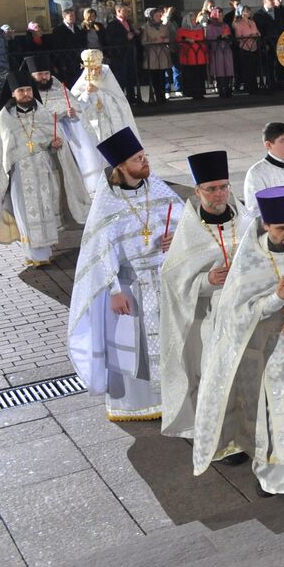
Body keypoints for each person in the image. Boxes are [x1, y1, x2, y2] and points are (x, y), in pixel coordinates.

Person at [191, 185, 284, 495]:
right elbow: (235, 315)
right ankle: (274, 477)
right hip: (267, 353)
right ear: (265, 225)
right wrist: (276, 299)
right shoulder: (251, 259)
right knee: (273, 414)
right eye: (281, 228)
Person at [67, 127, 180, 421]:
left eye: (144, 156)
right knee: (133, 349)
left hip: (162, 279)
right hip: (130, 285)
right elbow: (99, 251)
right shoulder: (106, 202)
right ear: (121, 166)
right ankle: (138, 405)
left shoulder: (156, 187)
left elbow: (183, 219)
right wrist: (114, 291)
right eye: (138, 158)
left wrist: (176, 238)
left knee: (169, 340)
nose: (145, 162)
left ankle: (173, 398)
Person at [158, 150, 245, 441]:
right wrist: (206, 281)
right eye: (211, 189)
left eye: (223, 187)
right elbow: (173, 279)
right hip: (208, 320)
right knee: (215, 377)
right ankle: (219, 439)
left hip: (245, 314)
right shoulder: (189, 229)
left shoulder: (244, 219)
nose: (219, 194)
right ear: (198, 191)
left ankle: (245, 432)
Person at [0, 67, 88, 265]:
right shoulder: (5, 118)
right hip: (19, 175)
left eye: (28, 90)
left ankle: (45, 251)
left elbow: (55, 139)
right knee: (26, 213)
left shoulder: (43, 113)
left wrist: (55, 145)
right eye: (21, 91)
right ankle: (33, 255)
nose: (26, 94)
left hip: (44, 172)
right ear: (13, 93)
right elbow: (1, 151)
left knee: (45, 210)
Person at [69, 48, 138, 145]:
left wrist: (100, 92)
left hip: (112, 125)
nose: (94, 72)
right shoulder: (81, 83)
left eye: (96, 68)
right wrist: (87, 93)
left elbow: (120, 101)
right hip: (93, 126)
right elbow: (75, 105)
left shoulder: (106, 75)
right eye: (90, 69)